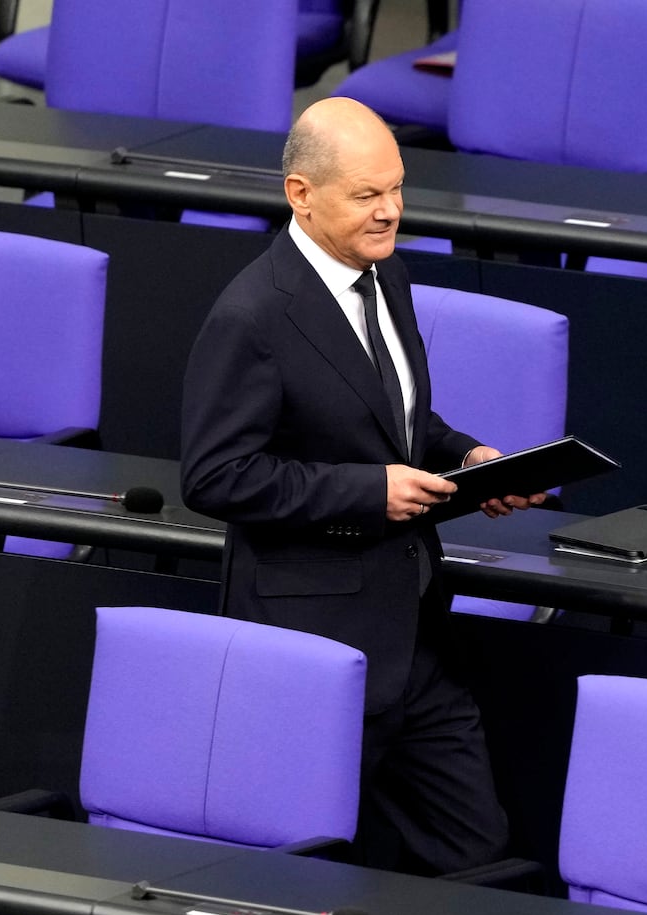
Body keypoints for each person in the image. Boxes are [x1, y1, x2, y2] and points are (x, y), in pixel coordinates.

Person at [180, 97, 542, 875]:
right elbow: (214, 475)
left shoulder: (388, 276)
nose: (391, 212)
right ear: (300, 194)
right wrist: (366, 492)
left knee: (477, 857)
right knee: (303, 872)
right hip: (315, 648)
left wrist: (466, 456)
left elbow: (390, 417)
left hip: (414, 637)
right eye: (367, 195)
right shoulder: (252, 315)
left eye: (398, 189)